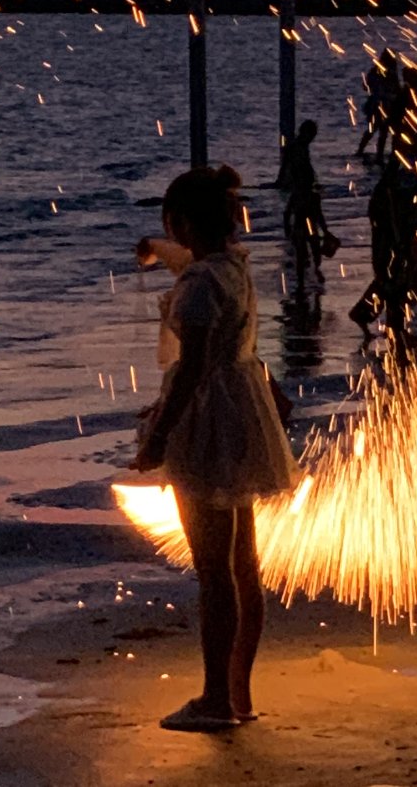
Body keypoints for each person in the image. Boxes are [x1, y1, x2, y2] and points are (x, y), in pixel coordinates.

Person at [131, 164, 298, 732]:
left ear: (182, 222)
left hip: (208, 421)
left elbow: (192, 368)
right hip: (243, 410)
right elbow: (205, 286)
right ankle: (237, 691)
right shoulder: (234, 268)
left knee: (212, 569)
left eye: (168, 224)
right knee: (242, 563)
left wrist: (157, 434)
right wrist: (158, 249)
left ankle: (213, 700)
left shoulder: (200, 284)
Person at [351, 147, 417, 349]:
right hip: (391, 247)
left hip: (394, 246)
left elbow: (408, 218)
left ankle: (387, 326)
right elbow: (401, 223)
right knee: (394, 288)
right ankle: (393, 331)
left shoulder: (395, 191)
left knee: (392, 286)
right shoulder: (391, 194)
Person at [275, 120, 337, 280]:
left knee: (306, 242)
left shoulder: (298, 147)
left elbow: (289, 167)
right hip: (302, 194)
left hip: (301, 193)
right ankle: (311, 272)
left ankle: (307, 275)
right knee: (309, 242)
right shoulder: (298, 148)